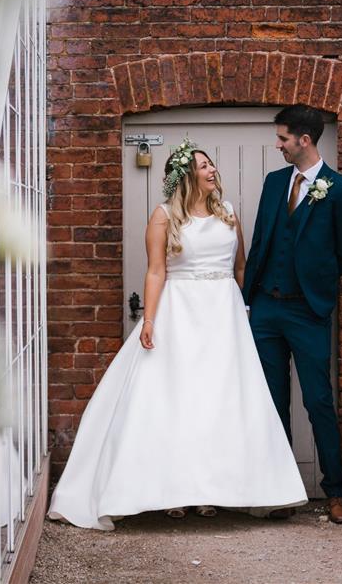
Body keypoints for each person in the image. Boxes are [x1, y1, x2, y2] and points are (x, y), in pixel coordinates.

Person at [47, 139, 307, 530]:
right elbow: (155, 272)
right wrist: (149, 321)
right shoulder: (164, 216)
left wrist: (250, 311)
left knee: (221, 401)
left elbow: (241, 268)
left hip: (224, 315)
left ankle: (211, 492)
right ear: (187, 176)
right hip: (180, 313)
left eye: (211, 163)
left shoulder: (229, 213)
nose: (212, 170)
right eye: (204, 166)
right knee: (178, 399)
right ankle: (172, 491)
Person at [242, 104, 342, 524]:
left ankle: (335, 492)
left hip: (308, 312)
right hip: (266, 311)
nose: (277, 145)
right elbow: (261, 242)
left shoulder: (339, 189)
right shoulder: (275, 183)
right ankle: (280, 491)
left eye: (282, 139)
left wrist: (315, 279)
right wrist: (248, 299)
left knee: (318, 402)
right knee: (272, 403)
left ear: (304, 140)